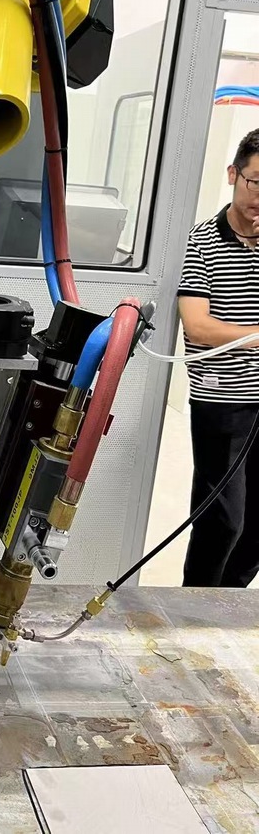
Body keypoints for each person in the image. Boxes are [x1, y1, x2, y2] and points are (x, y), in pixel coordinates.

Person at [178, 129, 259, 586]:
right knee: (222, 521)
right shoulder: (202, 242)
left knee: (256, 530)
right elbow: (198, 326)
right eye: (256, 182)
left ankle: (225, 605)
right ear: (233, 174)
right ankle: (193, 608)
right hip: (222, 401)